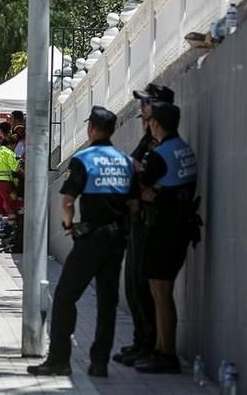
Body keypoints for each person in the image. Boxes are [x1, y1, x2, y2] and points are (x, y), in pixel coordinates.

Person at [28, 106, 139, 378]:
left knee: (66, 295)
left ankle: (59, 360)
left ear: (90, 129)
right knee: (106, 301)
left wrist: (69, 225)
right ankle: (99, 363)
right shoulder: (125, 161)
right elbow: (135, 206)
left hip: (90, 238)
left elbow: (67, 202)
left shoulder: (85, 159)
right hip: (117, 239)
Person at [134, 102, 199, 374]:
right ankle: (162, 350)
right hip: (181, 227)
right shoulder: (184, 149)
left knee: (160, 293)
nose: (147, 125)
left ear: (156, 124)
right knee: (162, 291)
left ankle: (166, 353)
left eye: (149, 121)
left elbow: (138, 186)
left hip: (164, 230)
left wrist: (146, 188)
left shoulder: (159, 155)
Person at [113, 83, 175, 367]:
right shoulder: (149, 139)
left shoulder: (158, 143)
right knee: (134, 286)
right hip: (138, 220)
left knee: (143, 286)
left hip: (149, 221)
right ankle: (142, 341)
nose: (141, 110)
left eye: (146, 105)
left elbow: (140, 177)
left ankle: (150, 345)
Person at [0, 137, 19, 237]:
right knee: (8, 205)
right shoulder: (8, 153)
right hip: (5, 182)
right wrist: (19, 161)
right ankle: (12, 228)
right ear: (11, 144)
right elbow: (15, 168)